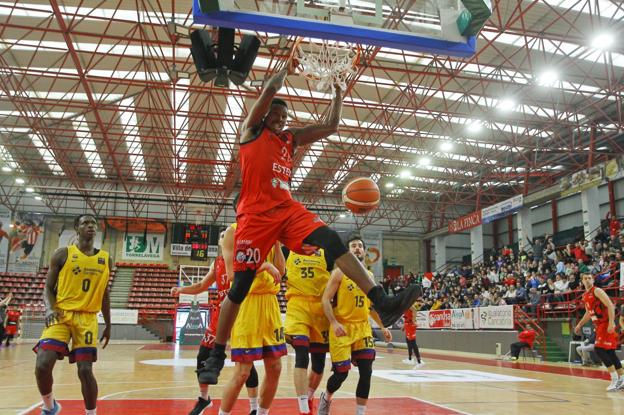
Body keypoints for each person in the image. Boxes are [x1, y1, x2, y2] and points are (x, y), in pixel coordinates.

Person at [198, 63, 420, 385]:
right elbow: (266, 95)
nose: (281, 120)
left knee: (332, 239)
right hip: (255, 216)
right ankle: (217, 354)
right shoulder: (251, 132)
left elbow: (330, 125)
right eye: (276, 115)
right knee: (240, 286)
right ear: (264, 116)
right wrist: (279, 76)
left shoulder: (290, 140)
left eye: (285, 117)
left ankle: (381, 301)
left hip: (287, 210)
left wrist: (339, 92)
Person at [171, 230, 259, 415]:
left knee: (245, 363)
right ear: (221, 242)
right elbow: (201, 285)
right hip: (221, 313)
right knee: (202, 356)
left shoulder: (245, 259)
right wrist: (181, 290)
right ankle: (204, 399)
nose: (225, 237)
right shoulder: (217, 263)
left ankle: (254, 408)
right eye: (222, 235)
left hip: (242, 312)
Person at [33, 214, 111, 415]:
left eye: (93, 223)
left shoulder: (105, 259)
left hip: (87, 318)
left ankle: (91, 413)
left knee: (85, 370)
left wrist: (109, 325)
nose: (90, 226)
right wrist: (50, 308)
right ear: (77, 227)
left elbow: (104, 293)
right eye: (85, 223)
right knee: (42, 364)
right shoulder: (62, 254)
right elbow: (48, 287)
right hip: (61, 314)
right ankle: (50, 406)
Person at [317, 234, 392, 415]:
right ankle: (326, 396)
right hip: (342, 327)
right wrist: (333, 323)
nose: (357, 248)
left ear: (364, 252)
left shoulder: (370, 276)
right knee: (341, 374)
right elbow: (325, 300)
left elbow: (372, 306)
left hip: (362, 328)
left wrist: (383, 326)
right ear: (347, 251)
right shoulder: (339, 272)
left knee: (367, 372)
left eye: (360, 246)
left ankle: (360, 412)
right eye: (353, 246)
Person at [217, 234, 286, 415]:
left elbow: (281, 271)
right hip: (248, 303)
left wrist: (277, 245)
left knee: (276, 367)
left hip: (271, 304)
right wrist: (264, 266)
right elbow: (232, 275)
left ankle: (261, 413)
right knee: (243, 372)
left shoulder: (270, 234)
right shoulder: (236, 234)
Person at [283, 248, 334, 415]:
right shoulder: (287, 250)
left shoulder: (326, 250)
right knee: (302, 353)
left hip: (320, 309)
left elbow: (338, 276)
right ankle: (303, 408)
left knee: (319, 365)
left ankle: (310, 396)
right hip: (298, 305)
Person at [574, 273, 623, 391]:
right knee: (610, 352)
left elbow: (610, 306)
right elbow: (588, 313)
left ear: (593, 280)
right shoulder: (585, 295)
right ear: (582, 281)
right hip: (599, 325)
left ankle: (615, 379)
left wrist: (611, 322)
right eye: (585, 278)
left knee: (599, 349)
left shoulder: (597, 291)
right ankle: (622, 379)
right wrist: (579, 324)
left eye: (589, 278)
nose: (587, 280)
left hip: (605, 324)